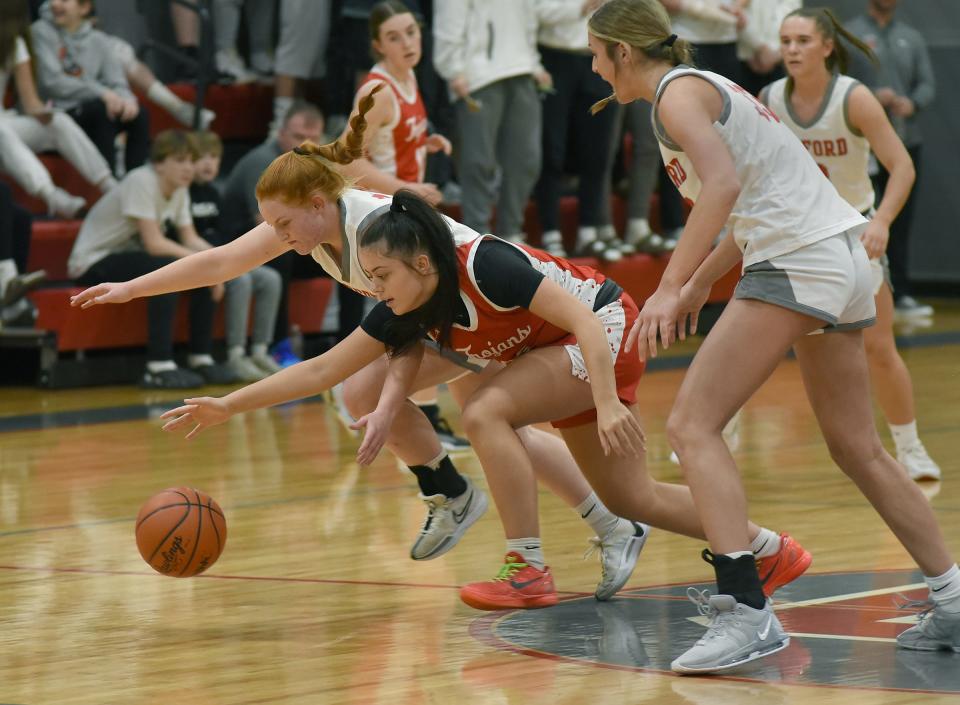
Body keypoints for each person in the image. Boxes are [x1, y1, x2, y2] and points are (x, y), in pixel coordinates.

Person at [69, 100, 728, 607]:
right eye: (270, 226)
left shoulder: (375, 226)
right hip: (453, 320)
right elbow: (219, 261)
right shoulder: (313, 229)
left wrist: (390, 397)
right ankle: (551, 511)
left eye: (282, 224)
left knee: (461, 412)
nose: (274, 236)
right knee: (467, 418)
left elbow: (402, 327)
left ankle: (482, 510)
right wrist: (130, 286)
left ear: (320, 203)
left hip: (498, 305)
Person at [152, 188, 811, 613]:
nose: (375, 289)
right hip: (546, 349)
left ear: (421, 264)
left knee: (485, 411)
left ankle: (526, 565)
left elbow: (584, 320)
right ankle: (765, 546)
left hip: (603, 328)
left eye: (381, 276)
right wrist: (228, 405)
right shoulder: (404, 296)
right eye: (370, 278)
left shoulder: (486, 264)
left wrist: (609, 402)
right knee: (629, 494)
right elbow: (323, 368)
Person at [586, 0, 959, 674]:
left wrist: (669, 285)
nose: (590, 65)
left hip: (799, 259)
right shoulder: (711, 88)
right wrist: (699, 281)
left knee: (692, 424)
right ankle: (954, 594)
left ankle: (745, 611)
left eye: (594, 52)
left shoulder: (675, 97)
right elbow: (749, 197)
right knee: (858, 447)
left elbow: (725, 185)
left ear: (621, 50)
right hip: (843, 258)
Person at [761, 8, 940, 482]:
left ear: (826, 47)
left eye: (802, 40)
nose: (792, 49)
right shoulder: (769, 98)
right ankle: (722, 427)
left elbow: (902, 167)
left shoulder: (853, 99)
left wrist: (880, 221)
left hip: (851, 231)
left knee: (880, 347)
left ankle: (911, 447)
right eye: (785, 41)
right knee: (755, 344)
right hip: (795, 237)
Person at [331, 1, 466, 451]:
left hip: (404, 213)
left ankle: (419, 413)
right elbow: (351, 162)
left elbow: (392, 139)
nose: (408, 43)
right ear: (377, 45)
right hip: (382, 217)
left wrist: (425, 142)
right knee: (415, 312)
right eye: (395, 37)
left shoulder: (408, 79)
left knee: (421, 314)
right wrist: (408, 188)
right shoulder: (377, 90)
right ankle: (356, 387)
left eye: (412, 32)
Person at [67, 130, 236, 388]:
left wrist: (219, 264)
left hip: (128, 257)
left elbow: (190, 238)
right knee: (167, 270)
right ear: (159, 164)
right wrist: (202, 262)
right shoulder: (141, 181)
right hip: (92, 261)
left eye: (191, 161)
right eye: (180, 161)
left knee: (200, 272)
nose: (188, 168)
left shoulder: (180, 188)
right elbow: (155, 243)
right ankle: (158, 365)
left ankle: (201, 357)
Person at [221, 101, 362, 365]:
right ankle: (279, 345)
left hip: (293, 239)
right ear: (280, 133)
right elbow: (269, 228)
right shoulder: (264, 162)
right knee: (282, 251)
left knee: (350, 252)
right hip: (247, 243)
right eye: (298, 137)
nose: (304, 145)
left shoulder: (315, 165)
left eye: (313, 138)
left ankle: (351, 346)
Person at [846, 0, 936, 320]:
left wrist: (913, 102)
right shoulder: (852, 34)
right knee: (861, 215)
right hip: (861, 144)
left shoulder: (910, 37)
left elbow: (927, 83)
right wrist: (871, 94)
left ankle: (901, 293)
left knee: (900, 219)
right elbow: (839, 80)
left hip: (905, 139)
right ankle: (857, 292)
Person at [0, 0, 115, 217]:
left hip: (4, 124)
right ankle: (53, 196)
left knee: (58, 121)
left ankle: (109, 185)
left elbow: (30, 102)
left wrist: (44, 112)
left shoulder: (14, 43)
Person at [189, 130, 282, 382]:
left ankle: (260, 351)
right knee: (241, 280)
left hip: (219, 257)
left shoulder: (214, 194)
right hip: (196, 261)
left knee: (270, 278)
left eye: (214, 157)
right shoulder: (182, 194)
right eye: (201, 157)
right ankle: (235, 354)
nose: (209, 163)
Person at [30, 0, 150, 175]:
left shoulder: (99, 40)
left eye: (64, 0)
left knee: (139, 114)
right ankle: (108, 185)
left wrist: (127, 100)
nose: (55, 4)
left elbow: (117, 81)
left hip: (93, 107)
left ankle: (135, 181)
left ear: (84, 7)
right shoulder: (40, 31)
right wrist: (102, 93)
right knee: (101, 112)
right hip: (57, 110)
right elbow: (52, 83)